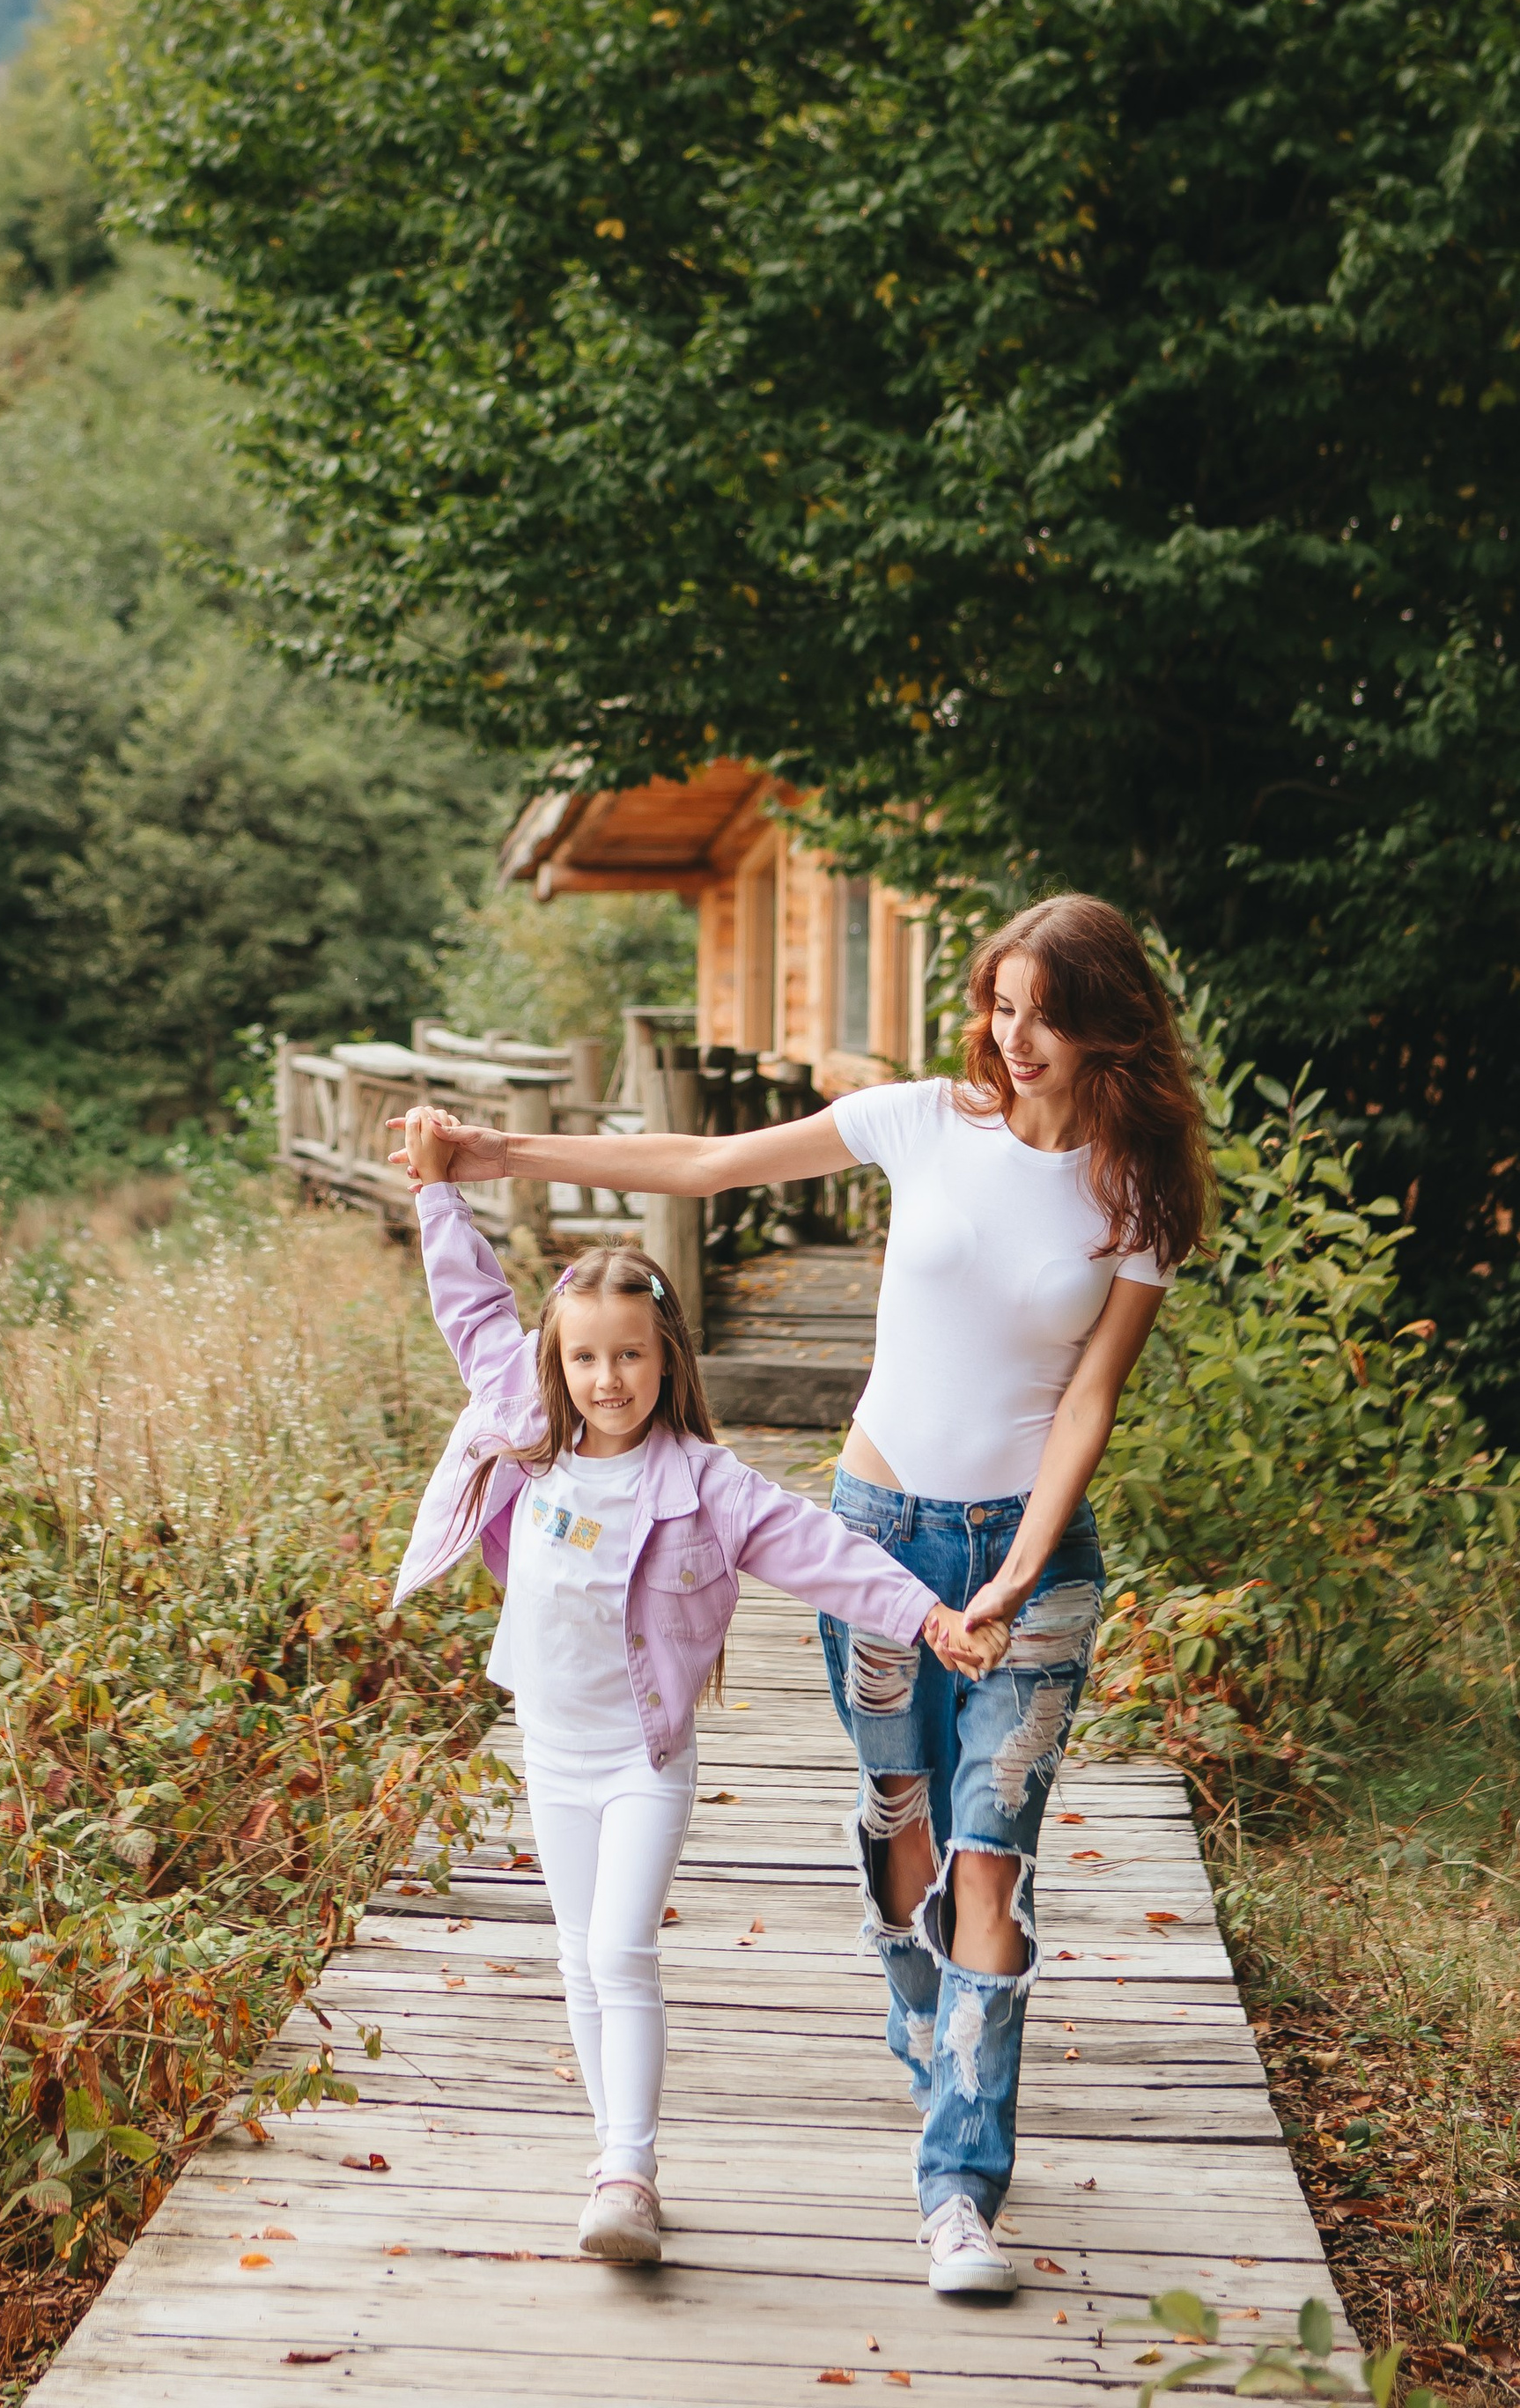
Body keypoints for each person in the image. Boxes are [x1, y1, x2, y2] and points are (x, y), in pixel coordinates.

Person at [393, 891, 1212, 2298]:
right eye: (1002, 1004)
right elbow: (705, 1161)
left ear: (1109, 1024)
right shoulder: (922, 1121)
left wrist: (1026, 1562)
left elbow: (1089, 1398)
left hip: (1035, 1561)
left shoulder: (1137, 1191)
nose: (1016, 1036)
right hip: (883, 1524)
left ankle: (959, 2194)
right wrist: (494, 1153)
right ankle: (927, 2019)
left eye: (1047, 1013)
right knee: (908, 1825)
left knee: (992, 1863)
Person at [391, 1099, 1003, 2269]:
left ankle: (629, 2172)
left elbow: (823, 1552)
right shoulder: (526, 1425)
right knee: (579, 1958)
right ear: (557, 1362)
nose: (606, 1378)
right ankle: (612, 2157)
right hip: (548, 1746)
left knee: (620, 1950)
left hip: (640, 1758)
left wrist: (928, 1616)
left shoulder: (706, 1484)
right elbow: (470, 1305)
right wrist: (436, 1190)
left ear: (666, 1357)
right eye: (585, 1357)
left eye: (629, 1355)